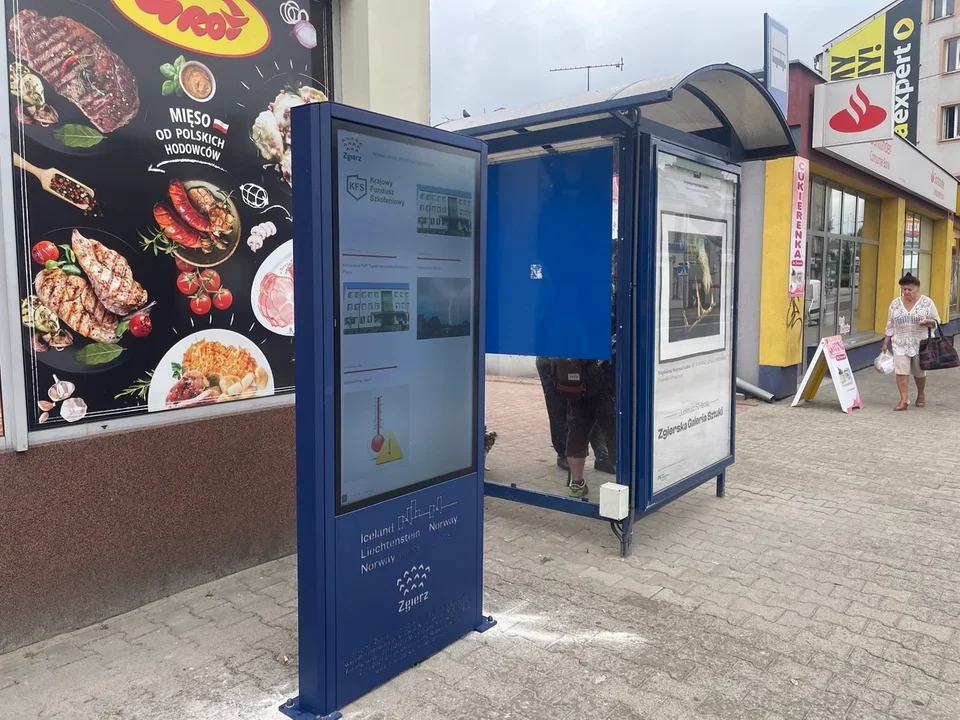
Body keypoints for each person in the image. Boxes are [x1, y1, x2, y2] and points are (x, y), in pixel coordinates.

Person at [535, 356, 611, 473]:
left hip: (585, 361)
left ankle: (601, 455)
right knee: (560, 409)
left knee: (592, 403)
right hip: (556, 361)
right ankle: (564, 454)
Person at [881, 272, 940, 411]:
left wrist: (927, 321)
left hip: (921, 343)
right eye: (904, 289)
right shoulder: (895, 304)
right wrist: (885, 343)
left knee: (919, 372)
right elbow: (890, 324)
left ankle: (921, 394)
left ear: (917, 288)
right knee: (901, 371)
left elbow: (937, 320)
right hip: (900, 343)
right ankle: (904, 399)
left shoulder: (927, 302)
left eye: (910, 289)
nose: (906, 292)